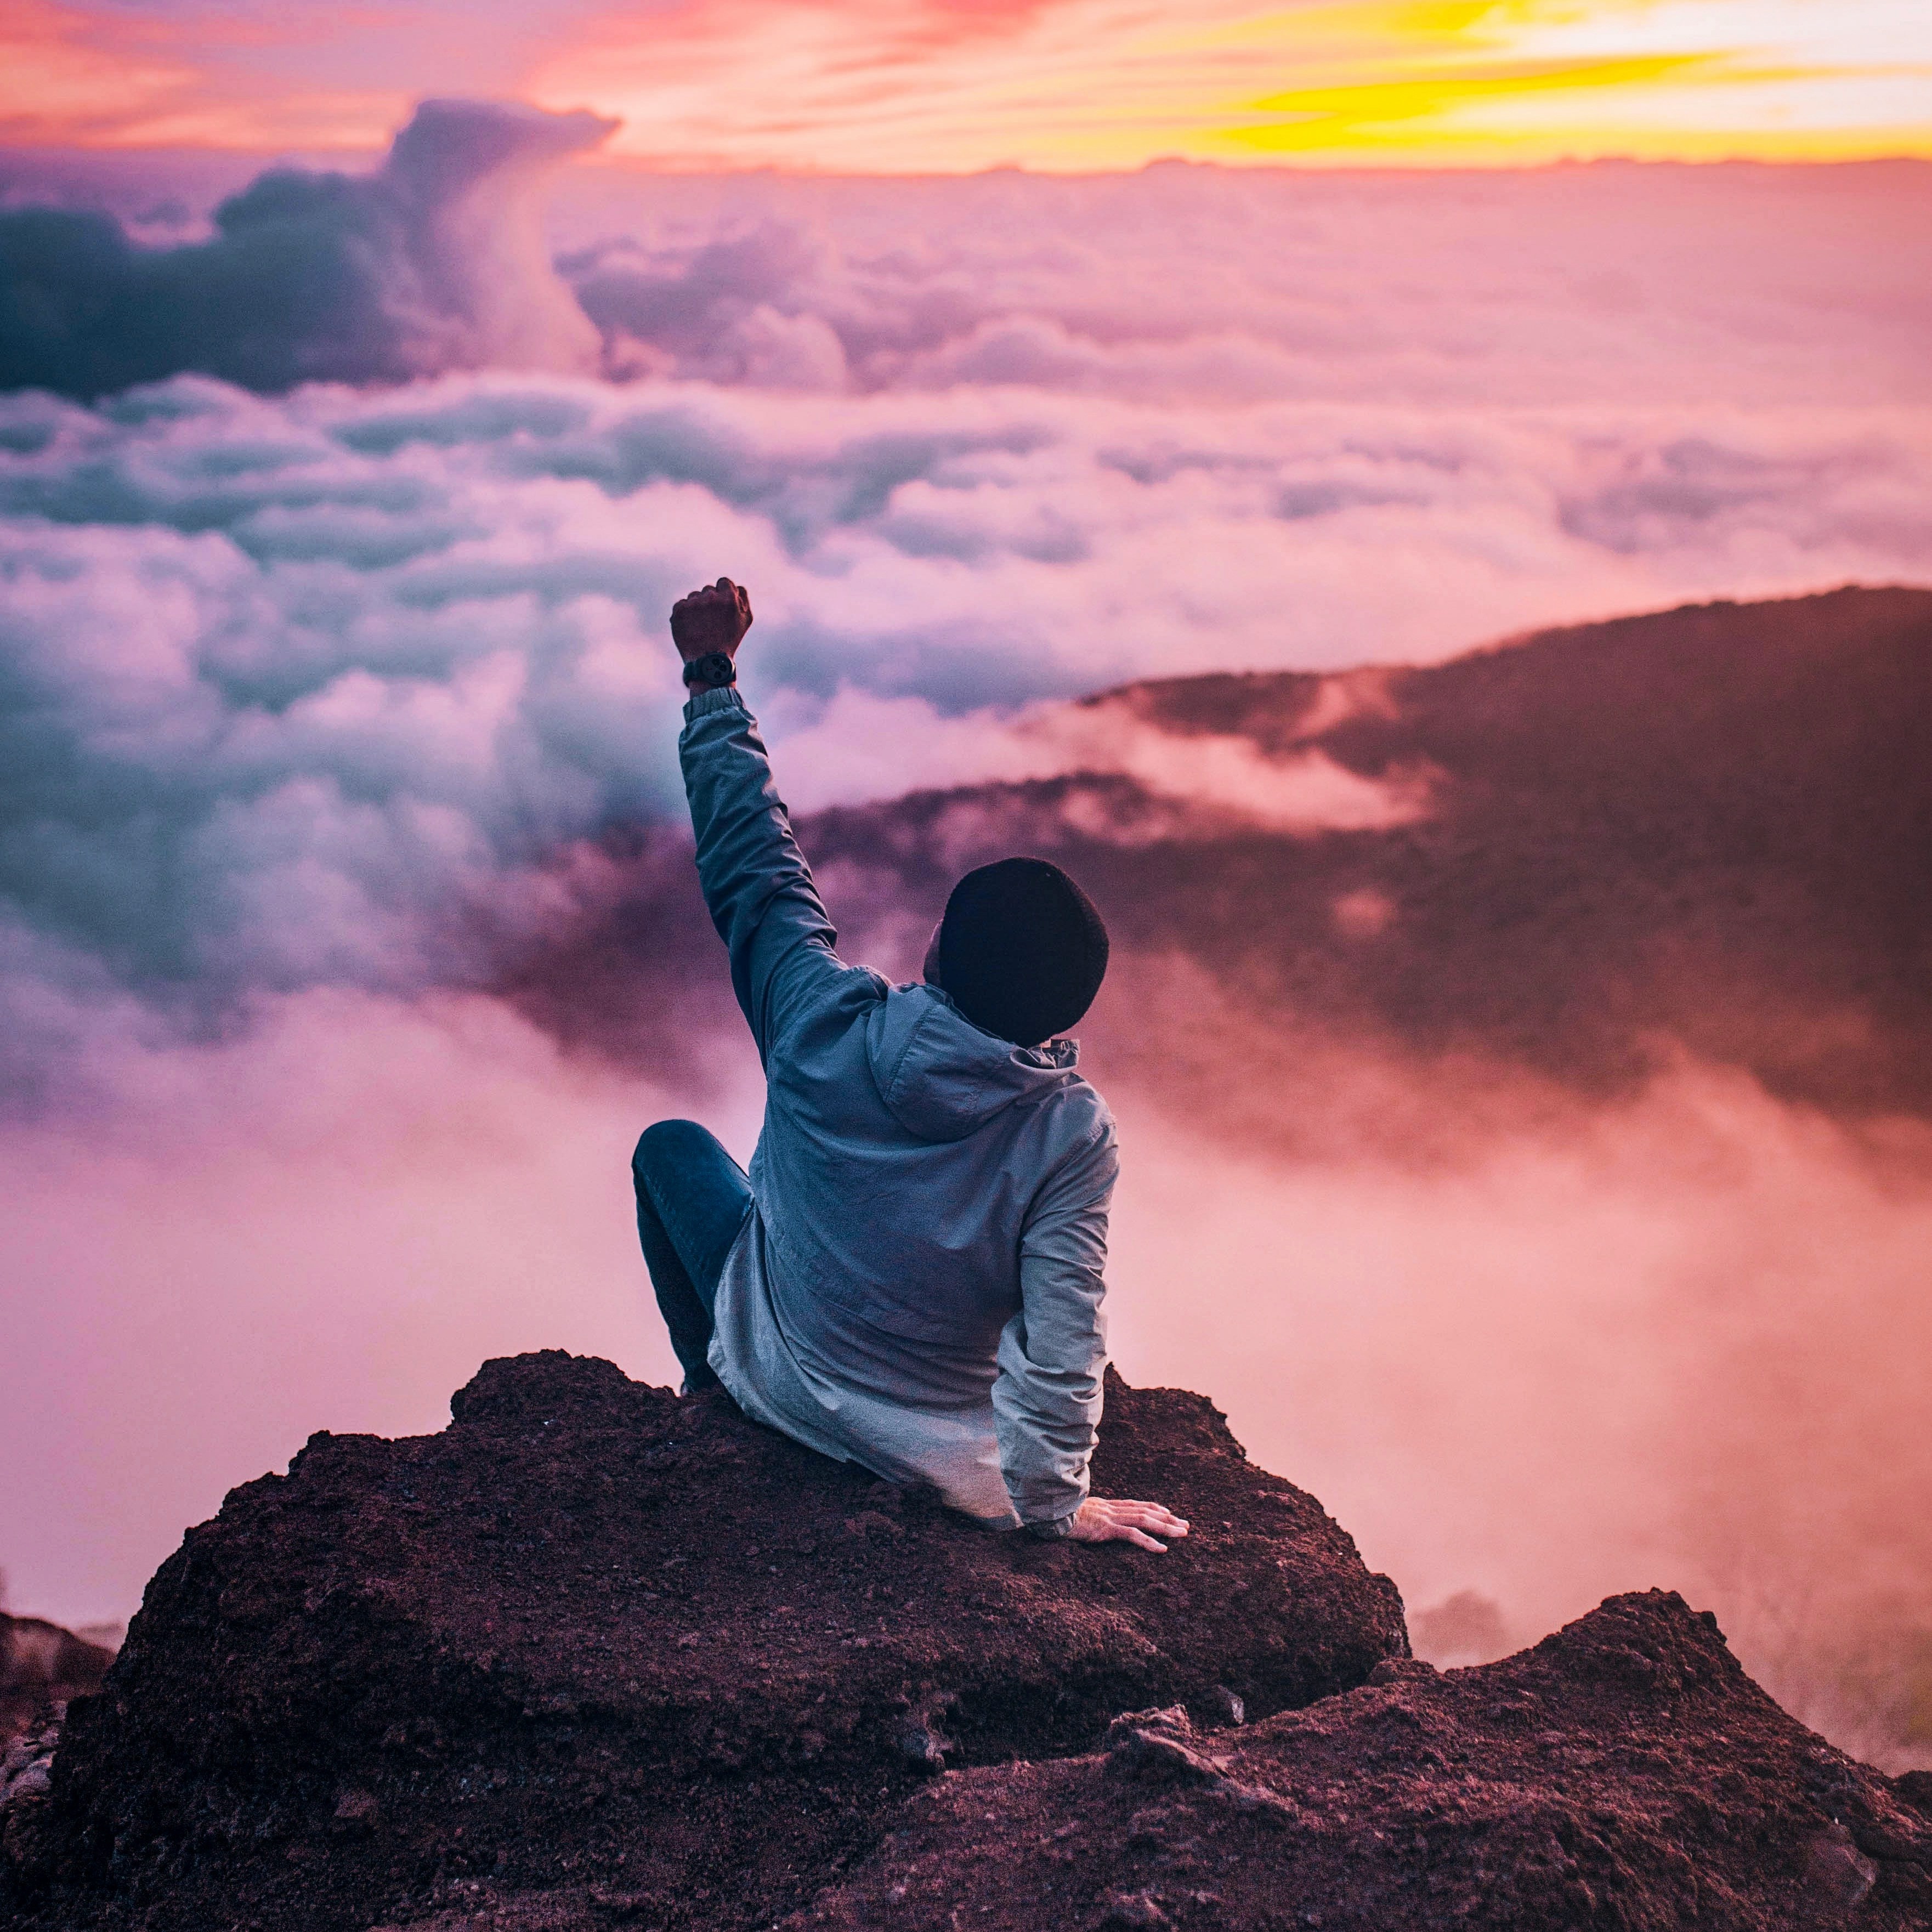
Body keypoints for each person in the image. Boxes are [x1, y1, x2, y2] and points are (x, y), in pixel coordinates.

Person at [632, 578, 1188, 1553]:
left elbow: (755, 868)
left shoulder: (817, 1019)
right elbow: (1067, 1342)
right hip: (936, 1457)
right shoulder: (1069, 1133)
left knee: (671, 1149)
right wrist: (1055, 1507)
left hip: (780, 1377)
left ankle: (709, 1386)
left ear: (939, 955)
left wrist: (711, 680)